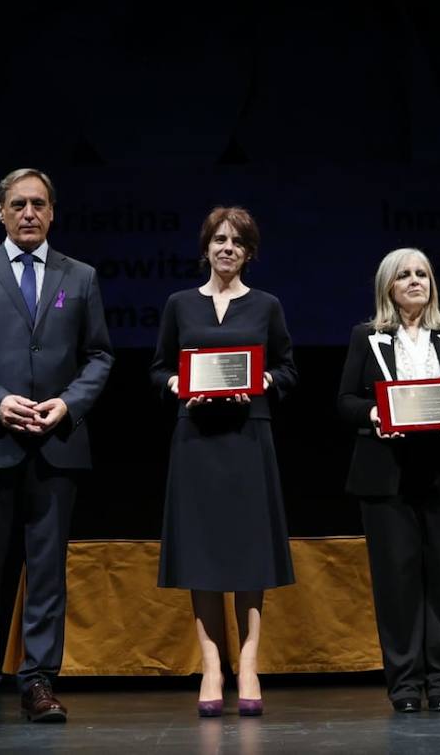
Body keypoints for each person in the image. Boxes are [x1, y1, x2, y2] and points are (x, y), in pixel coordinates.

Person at [0, 168, 114, 725]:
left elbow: (100, 355)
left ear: (53, 212)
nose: (29, 213)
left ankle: (38, 680)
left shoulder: (79, 276)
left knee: (47, 569)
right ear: (2, 212)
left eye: (39, 204)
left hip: (56, 444)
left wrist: (68, 404)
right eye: (19, 204)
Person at [150, 206, 297, 717]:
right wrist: (174, 384)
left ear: (249, 252)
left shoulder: (267, 306)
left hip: (247, 439)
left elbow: (287, 368)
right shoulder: (179, 304)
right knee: (203, 557)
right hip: (195, 441)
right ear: (206, 247)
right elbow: (160, 367)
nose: (227, 247)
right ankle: (212, 664)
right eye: (219, 239)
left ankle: (249, 664)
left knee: (248, 555)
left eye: (237, 241)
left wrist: (264, 382)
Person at [336, 248, 440, 714]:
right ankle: (404, 685)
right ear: (389, 286)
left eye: (422, 273)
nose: (415, 281)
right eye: (404, 275)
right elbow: (345, 400)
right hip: (388, 478)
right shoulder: (368, 337)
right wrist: (375, 413)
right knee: (396, 585)